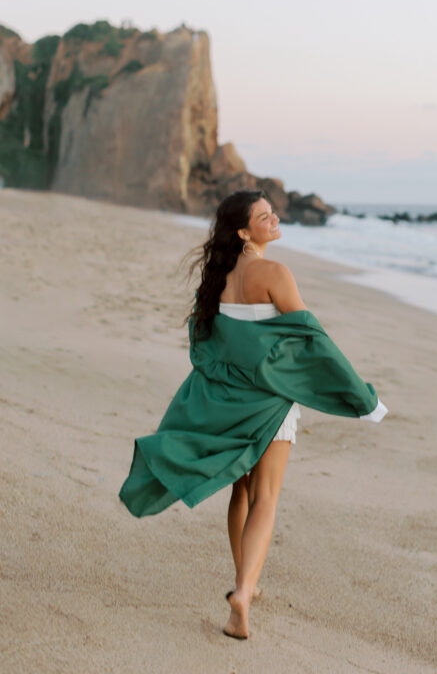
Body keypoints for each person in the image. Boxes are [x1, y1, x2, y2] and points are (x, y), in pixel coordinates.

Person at [119, 188, 387, 640]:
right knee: (266, 497)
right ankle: (243, 594)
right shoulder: (274, 273)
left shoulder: (219, 278)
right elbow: (311, 342)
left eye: (272, 213)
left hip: (228, 404)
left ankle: (246, 581)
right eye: (264, 217)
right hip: (268, 404)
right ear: (244, 231)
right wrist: (361, 397)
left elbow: (214, 344)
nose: (275, 218)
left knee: (240, 494)